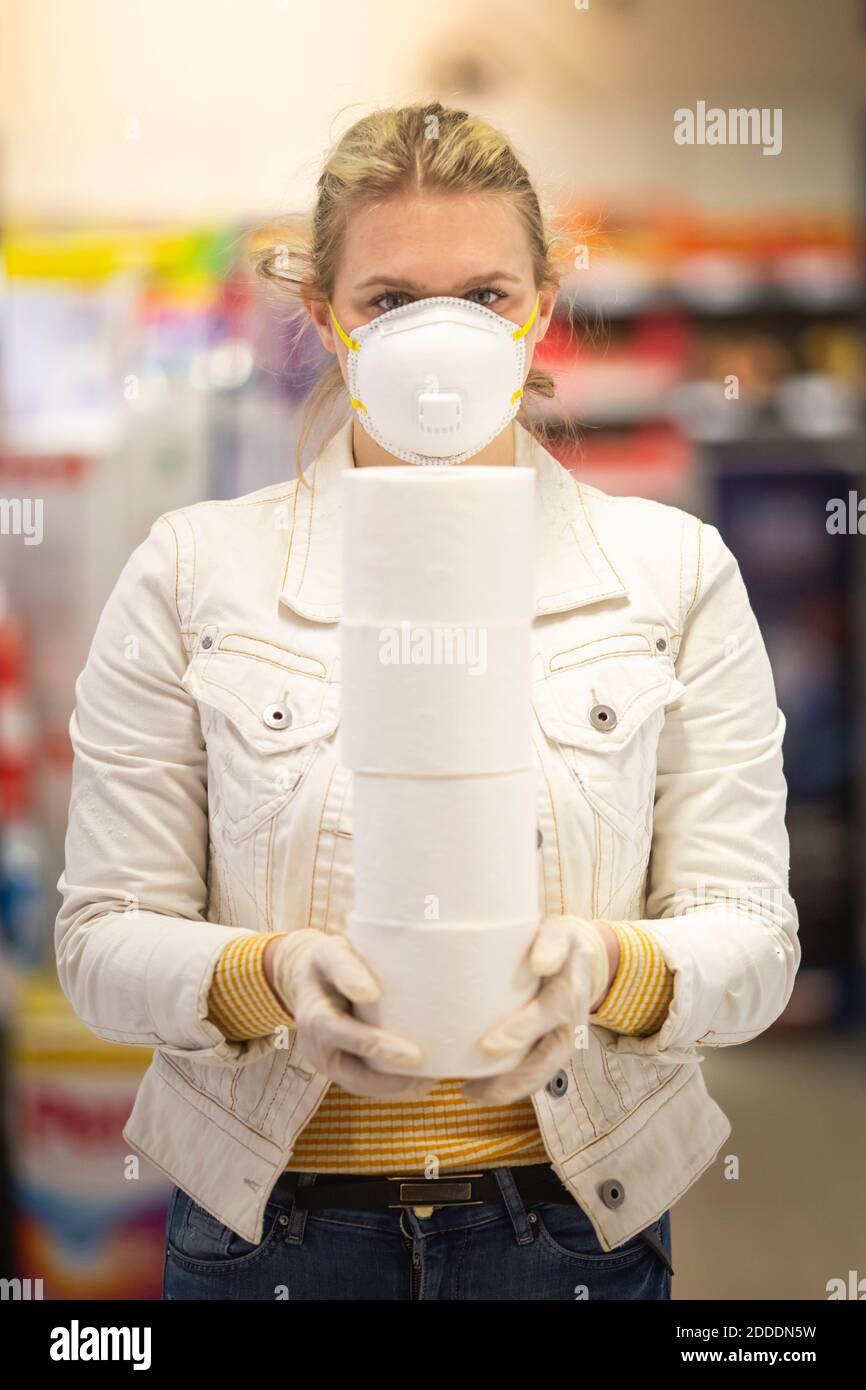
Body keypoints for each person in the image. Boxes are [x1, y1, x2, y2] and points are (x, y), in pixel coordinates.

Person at [55, 100, 800, 1301]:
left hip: (563, 1233)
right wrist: (270, 978)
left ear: (540, 310)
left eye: (485, 299)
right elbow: (99, 939)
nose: (436, 344)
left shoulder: (667, 573)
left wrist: (610, 967)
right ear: (326, 321)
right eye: (392, 303)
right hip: (272, 1237)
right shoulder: (194, 573)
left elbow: (754, 940)